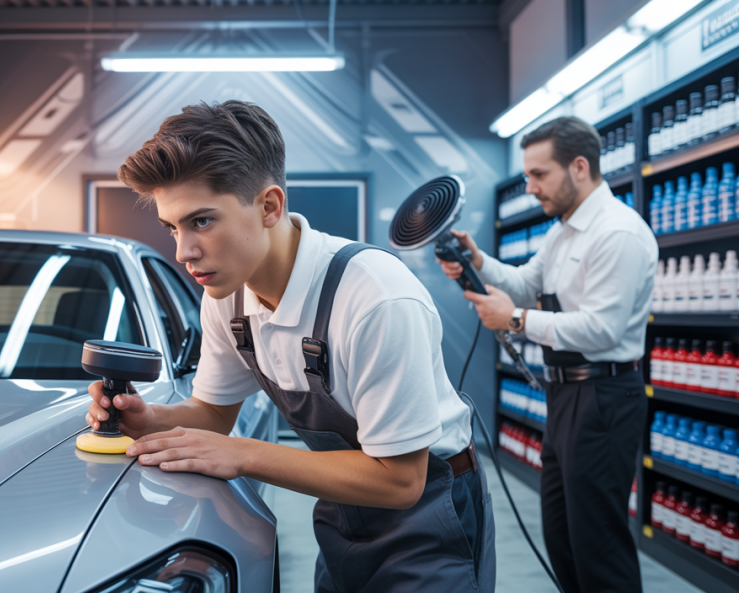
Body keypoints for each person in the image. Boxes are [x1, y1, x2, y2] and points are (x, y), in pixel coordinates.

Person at [85, 100, 496, 592]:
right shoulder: (226, 295)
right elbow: (214, 414)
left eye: (202, 221)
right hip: (344, 512)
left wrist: (242, 454)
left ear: (269, 206)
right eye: (173, 227)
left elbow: (400, 480)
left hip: (433, 512)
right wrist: (151, 420)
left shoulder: (375, 297)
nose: (183, 252)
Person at [440, 116, 657, 593]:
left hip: (603, 396)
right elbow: (524, 283)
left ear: (579, 167)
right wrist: (477, 260)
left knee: (598, 543)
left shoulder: (616, 233)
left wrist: (515, 320)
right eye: (527, 175)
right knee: (564, 537)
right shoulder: (564, 231)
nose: (529, 186)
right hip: (566, 397)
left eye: (539, 174)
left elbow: (601, 330)